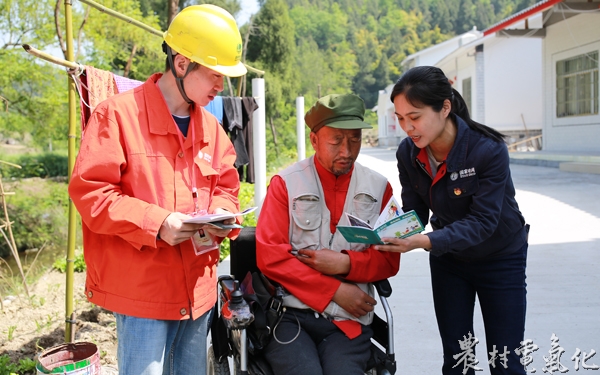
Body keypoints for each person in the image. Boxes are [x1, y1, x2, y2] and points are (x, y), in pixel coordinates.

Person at [68, 5, 247, 375]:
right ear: (182, 63)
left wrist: (222, 216)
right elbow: (91, 194)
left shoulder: (212, 129)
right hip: (142, 294)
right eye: (215, 75)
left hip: (198, 291)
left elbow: (228, 188)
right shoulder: (116, 116)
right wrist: (158, 222)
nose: (220, 86)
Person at [377, 66, 529, 375]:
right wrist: (387, 231)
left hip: (501, 258)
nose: (407, 127)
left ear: (444, 108)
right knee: (458, 361)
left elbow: (484, 222)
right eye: (401, 118)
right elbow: (416, 210)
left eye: (415, 117)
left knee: (505, 362)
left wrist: (426, 241)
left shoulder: (488, 150)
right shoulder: (408, 153)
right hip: (450, 262)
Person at [256, 94, 401, 375]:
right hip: (290, 316)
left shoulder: (380, 188)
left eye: (355, 139)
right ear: (314, 140)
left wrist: (346, 264)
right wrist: (334, 290)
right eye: (336, 140)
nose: (346, 150)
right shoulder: (285, 185)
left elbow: (389, 258)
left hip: (349, 321)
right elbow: (270, 257)